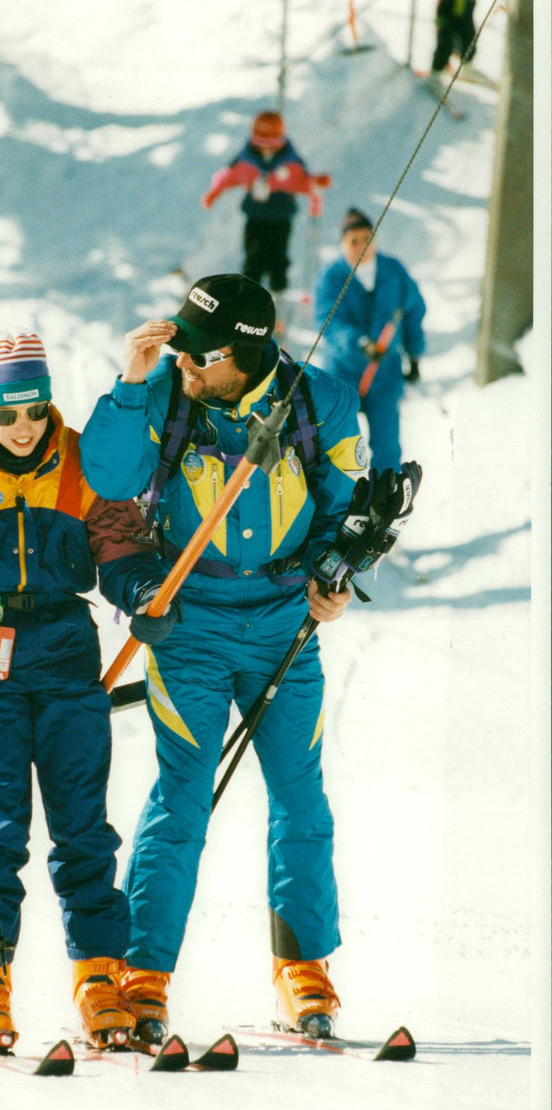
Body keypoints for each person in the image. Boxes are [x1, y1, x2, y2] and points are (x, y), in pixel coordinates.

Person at [79, 274, 369, 1045]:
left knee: (300, 799)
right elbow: (106, 479)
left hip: (282, 627)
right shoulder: (167, 397)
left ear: (245, 353)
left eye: (196, 355)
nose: (185, 364)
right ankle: (145, 974)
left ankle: (301, 966)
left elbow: (346, 507)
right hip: (191, 629)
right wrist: (132, 378)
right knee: (182, 801)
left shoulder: (321, 405)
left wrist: (335, 576)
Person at [0, 328, 177, 1054]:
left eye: (35, 411)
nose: (23, 427)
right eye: (8, 414)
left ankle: (98, 976)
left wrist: (143, 589)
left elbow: (119, 543)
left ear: (50, 405)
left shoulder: (81, 462)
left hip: (67, 651)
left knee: (83, 826)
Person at [313, 208, 426, 473]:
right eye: (354, 240)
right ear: (342, 243)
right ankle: (339, 504)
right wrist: (359, 344)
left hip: (384, 375)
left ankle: (385, 501)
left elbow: (413, 311)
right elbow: (329, 322)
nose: (362, 245)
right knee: (337, 445)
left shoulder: (393, 271)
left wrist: (415, 354)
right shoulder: (331, 277)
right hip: (342, 374)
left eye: (367, 238)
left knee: (387, 446)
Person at [201, 111, 331, 296]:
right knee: (253, 258)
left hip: (280, 217)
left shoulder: (289, 163)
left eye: (272, 143)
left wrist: (316, 182)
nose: (266, 148)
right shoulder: (246, 161)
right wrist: (214, 192)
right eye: (261, 142)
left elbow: (301, 181)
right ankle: (247, 296)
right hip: (256, 216)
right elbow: (228, 176)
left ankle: (277, 298)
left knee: (278, 258)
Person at [427, 0, 477, 90]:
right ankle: (436, 73)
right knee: (445, 45)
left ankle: (465, 69)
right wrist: (440, 20)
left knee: (469, 41)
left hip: (464, 14)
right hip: (447, 14)